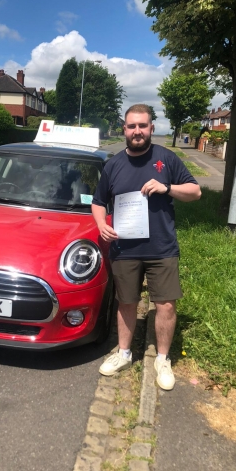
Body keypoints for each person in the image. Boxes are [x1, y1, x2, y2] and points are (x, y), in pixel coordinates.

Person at [91, 104, 201, 390]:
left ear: (152, 128)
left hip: (162, 248)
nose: (137, 131)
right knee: (126, 302)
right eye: (131, 126)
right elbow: (98, 202)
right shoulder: (113, 165)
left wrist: (168, 188)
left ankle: (162, 359)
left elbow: (195, 191)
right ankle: (124, 353)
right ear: (124, 129)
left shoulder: (167, 159)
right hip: (124, 249)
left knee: (165, 304)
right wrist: (101, 224)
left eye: (142, 125)